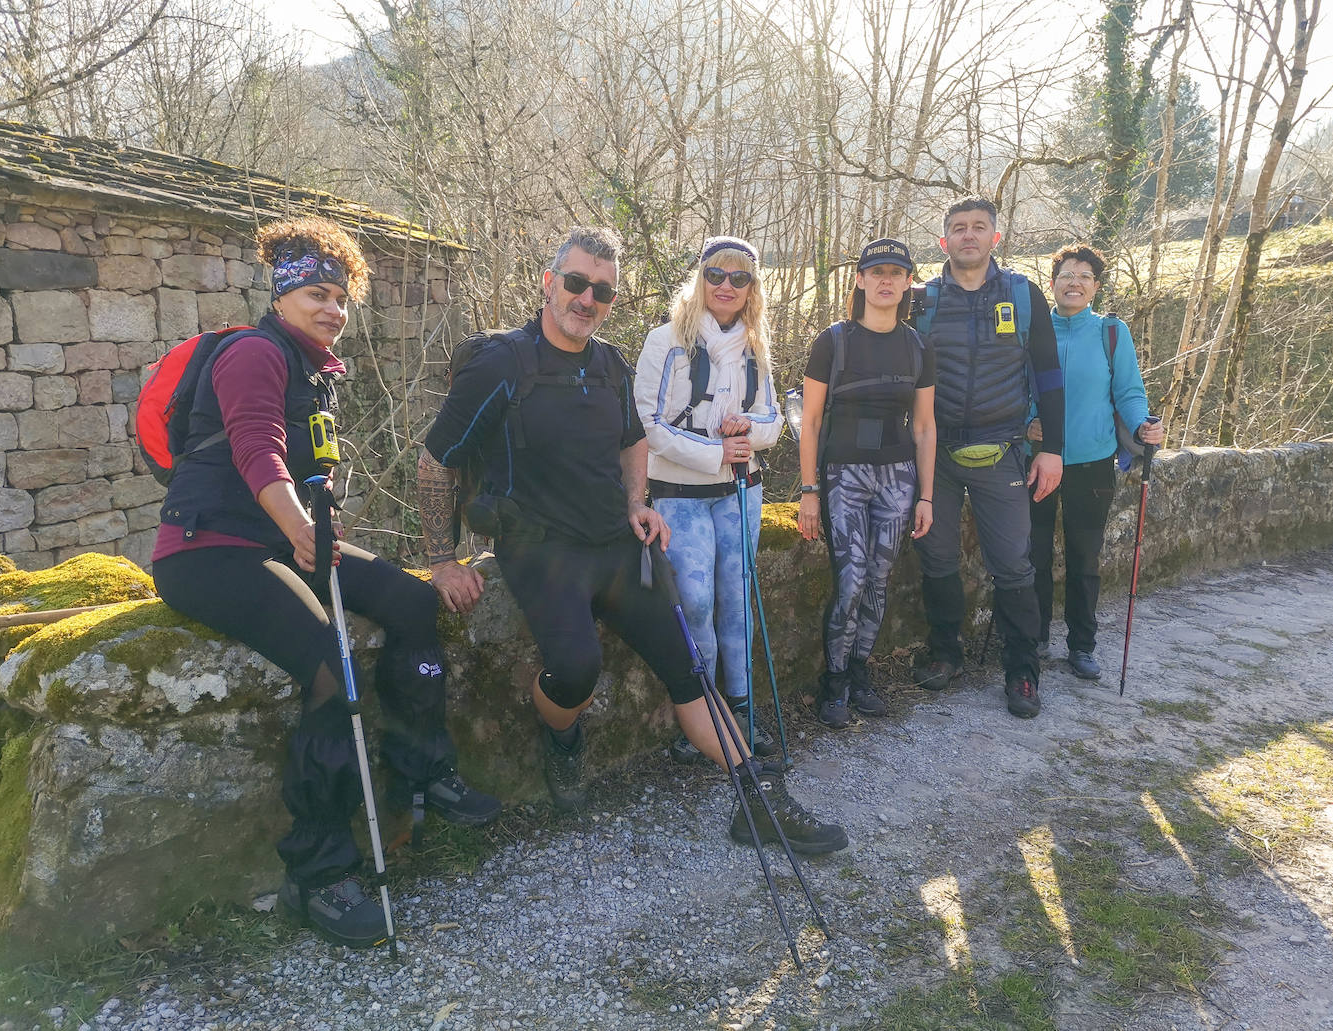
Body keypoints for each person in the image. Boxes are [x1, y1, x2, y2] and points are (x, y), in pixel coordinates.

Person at [417, 225, 847, 854]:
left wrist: (637, 504)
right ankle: (560, 736)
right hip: (538, 550)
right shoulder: (500, 364)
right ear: (549, 282)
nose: (586, 299)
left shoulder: (608, 362)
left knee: (688, 667)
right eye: (575, 284)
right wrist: (440, 559)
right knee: (575, 670)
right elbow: (436, 460)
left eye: (602, 292)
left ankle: (756, 800)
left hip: (616, 543)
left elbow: (632, 439)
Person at [152, 216, 500, 950]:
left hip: (284, 539)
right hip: (207, 550)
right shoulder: (252, 353)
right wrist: (306, 530)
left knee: (410, 601)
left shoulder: (316, 371)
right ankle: (319, 871)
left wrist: (313, 533)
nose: (333, 310)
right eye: (316, 293)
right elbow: (258, 454)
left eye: (341, 298)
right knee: (327, 663)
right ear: (281, 295)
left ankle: (422, 767)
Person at [910, 197, 1065, 719]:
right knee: (936, 557)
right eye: (958, 228)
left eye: (979, 227)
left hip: (1004, 451)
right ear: (944, 241)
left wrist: (1053, 451)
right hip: (936, 453)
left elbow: (1048, 376)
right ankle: (945, 653)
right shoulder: (922, 301)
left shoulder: (1024, 295)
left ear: (995, 237)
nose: (968, 236)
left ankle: (1022, 672)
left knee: (1013, 563)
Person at [634, 236, 783, 762]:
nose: (726, 286)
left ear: (751, 288)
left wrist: (748, 431)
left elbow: (773, 420)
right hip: (679, 493)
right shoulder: (665, 340)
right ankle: (705, 716)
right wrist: (717, 452)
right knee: (694, 603)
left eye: (739, 278)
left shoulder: (755, 345)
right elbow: (647, 425)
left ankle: (742, 710)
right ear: (700, 279)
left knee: (737, 599)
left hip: (741, 491)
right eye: (716, 275)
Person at [796, 238, 937, 727]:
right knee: (851, 579)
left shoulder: (918, 345)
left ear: (907, 283)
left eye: (896, 273)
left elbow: (924, 426)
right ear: (859, 279)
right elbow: (810, 422)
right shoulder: (833, 342)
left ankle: (861, 674)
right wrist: (808, 491)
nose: (886, 280)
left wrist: (926, 496)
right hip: (844, 476)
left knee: (878, 581)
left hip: (898, 477)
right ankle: (832, 683)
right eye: (876, 271)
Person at [1027, 244, 1164, 680]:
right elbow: (1013, 387)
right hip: (1035, 462)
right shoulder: (1032, 330)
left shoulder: (1111, 331)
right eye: (1067, 274)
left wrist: (1145, 425)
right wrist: (1027, 421)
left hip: (1093, 463)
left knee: (1085, 559)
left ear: (1096, 288)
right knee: (1034, 557)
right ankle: (1035, 638)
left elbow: (1128, 390)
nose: (1075, 282)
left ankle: (1082, 645)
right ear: (1052, 284)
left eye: (1085, 276)